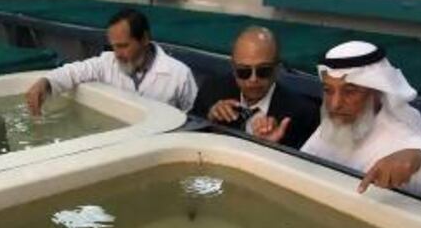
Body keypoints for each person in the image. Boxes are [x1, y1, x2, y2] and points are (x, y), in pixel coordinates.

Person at [301, 40, 421, 213]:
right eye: (328, 91)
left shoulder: (404, 143)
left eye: (350, 92)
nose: (335, 104)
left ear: (377, 92)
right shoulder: (335, 125)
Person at [24, 8, 197, 114]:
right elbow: (74, 71)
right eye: (114, 46)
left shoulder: (178, 74)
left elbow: (196, 117)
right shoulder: (107, 63)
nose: (117, 54)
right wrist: (45, 83)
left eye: (123, 46)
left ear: (144, 39)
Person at [192, 26, 319, 149]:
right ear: (233, 68)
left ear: (277, 69)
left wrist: (273, 148)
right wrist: (209, 121)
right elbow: (189, 137)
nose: (253, 79)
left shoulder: (303, 114)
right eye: (244, 71)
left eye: (263, 71)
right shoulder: (212, 90)